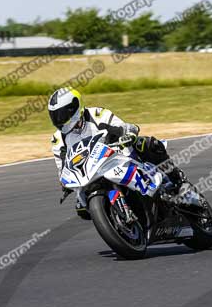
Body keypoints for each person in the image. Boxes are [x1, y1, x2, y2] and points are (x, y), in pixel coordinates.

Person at [48, 87, 188, 219]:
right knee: (82, 210)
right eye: (55, 116)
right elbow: (63, 169)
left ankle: (178, 180)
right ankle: (118, 222)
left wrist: (128, 134)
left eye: (62, 115)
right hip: (90, 175)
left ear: (74, 108)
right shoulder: (57, 140)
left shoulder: (97, 114)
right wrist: (65, 184)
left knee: (147, 144)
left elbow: (125, 127)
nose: (59, 120)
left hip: (119, 157)